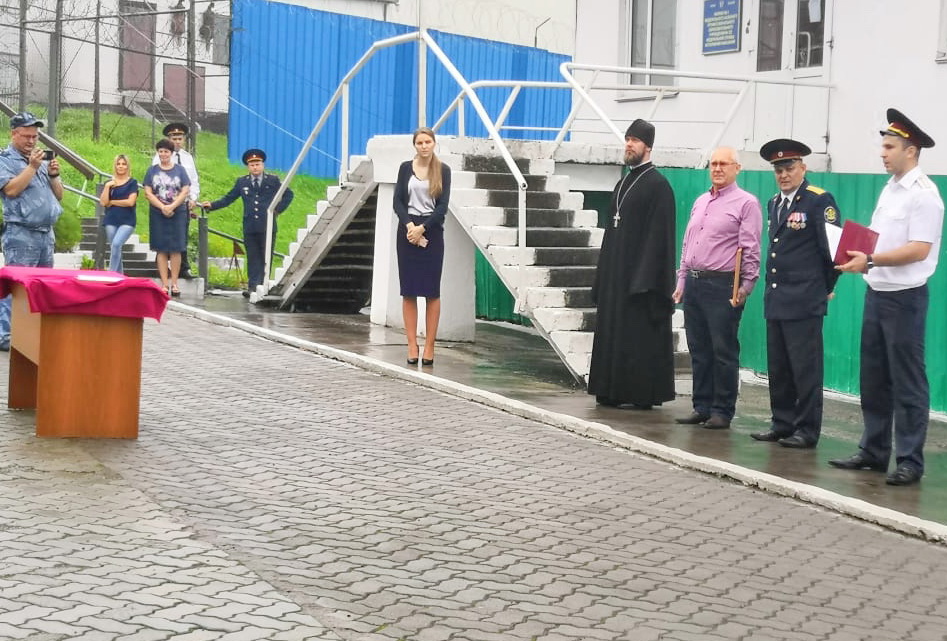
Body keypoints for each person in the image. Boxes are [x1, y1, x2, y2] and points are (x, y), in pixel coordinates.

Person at [830, 108, 943, 486]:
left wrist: (872, 259)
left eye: (890, 147)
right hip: (877, 292)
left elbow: (919, 249)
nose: (883, 153)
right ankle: (873, 451)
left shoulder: (924, 195)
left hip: (905, 298)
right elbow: (878, 238)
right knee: (874, 378)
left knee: (908, 381)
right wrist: (855, 252)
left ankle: (909, 460)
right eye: (883, 146)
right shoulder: (890, 189)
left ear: (910, 151)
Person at [749, 139, 842, 449]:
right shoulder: (774, 203)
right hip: (777, 299)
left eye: (789, 168)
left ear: (803, 168)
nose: (784, 175)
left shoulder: (819, 200)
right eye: (778, 170)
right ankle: (782, 423)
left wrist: (824, 289)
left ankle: (806, 430)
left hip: (804, 301)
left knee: (805, 371)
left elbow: (834, 253)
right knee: (779, 369)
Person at [587, 119, 676, 409]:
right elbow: (611, 231)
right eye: (627, 139)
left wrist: (643, 279)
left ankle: (638, 394)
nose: (628, 145)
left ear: (647, 147)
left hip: (640, 281)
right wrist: (603, 277)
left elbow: (659, 238)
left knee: (636, 337)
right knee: (612, 334)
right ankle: (610, 390)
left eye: (635, 141)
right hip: (615, 275)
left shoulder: (659, 186)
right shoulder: (623, 182)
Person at [672, 147, 762, 429]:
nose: (718, 168)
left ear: (737, 168)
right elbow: (688, 244)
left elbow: (750, 247)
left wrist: (746, 285)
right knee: (699, 348)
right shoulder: (701, 201)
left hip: (723, 284)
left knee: (723, 350)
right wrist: (682, 280)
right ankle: (702, 406)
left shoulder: (746, 203)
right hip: (695, 282)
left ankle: (722, 410)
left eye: (724, 164)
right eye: (714, 164)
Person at [0, 112, 64, 351]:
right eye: (26, 136)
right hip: (21, 233)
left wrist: (53, 175)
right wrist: (32, 167)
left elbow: (59, 195)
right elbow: (11, 190)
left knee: (42, 287)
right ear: (14, 134)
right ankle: (5, 335)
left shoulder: (40, 160)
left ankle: (36, 332)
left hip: (46, 234)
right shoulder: (5, 159)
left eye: (35, 136)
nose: (31, 141)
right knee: (16, 288)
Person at [392, 127, 451, 366]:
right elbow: (397, 201)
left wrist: (422, 229)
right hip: (407, 232)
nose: (424, 146)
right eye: (420, 142)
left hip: (431, 231)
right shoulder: (405, 168)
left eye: (428, 142)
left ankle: (429, 346)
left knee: (431, 292)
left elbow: (442, 206)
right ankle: (411, 344)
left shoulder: (443, 170)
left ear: (434, 143)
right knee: (409, 291)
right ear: (414, 145)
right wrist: (410, 226)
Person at [201, 148, 294, 297]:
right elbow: (229, 198)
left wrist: (276, 210)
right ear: (248, 166)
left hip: (267, 225)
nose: (255, 167)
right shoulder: (242, 182)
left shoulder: (273, 180)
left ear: (263, 165)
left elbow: (289, 194)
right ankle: (252, 286)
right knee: (252, 256)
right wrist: (212, 205)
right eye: (252, 165)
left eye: (257, 164)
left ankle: (262, 285)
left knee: (265, 257)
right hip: (250, 226)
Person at [144, 138, 190, 296]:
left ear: (171, 153)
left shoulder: (180, 170)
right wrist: (162, 206)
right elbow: (148, 192)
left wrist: (172, 206)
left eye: (166, 151)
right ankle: (164, 283)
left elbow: (185, 190)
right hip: (158, 212)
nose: (163, 154)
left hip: (178, 212)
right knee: (161, 248)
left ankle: (175, 283)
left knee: (176, 248)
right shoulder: (152, 170)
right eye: (161, 151)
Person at [153, 122, 199, 277]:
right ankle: (161, 265)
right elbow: (155, 180)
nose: (177, 142)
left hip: (183, 204)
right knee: (163, 233)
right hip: (164, 203)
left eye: (180, 138)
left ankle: (183, 268)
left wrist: (193, 198)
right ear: (169, 139)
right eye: (174, 138)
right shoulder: (160, 157)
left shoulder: (187, 158)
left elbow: (193, 180)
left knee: (181, 235)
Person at [99, 154, 139, 274]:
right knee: (115, 248)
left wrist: (113, 202)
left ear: (127, 166)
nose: (121, 166)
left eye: (123, 164)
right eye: (118, 164)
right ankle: (119, 275)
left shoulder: (132, 183)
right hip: (111, 219)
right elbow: (103, 202)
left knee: (116, 244)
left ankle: (111, 273)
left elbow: (130, 202)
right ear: (115, 166)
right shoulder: (109, 183)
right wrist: (107, 187)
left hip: (127, 220)